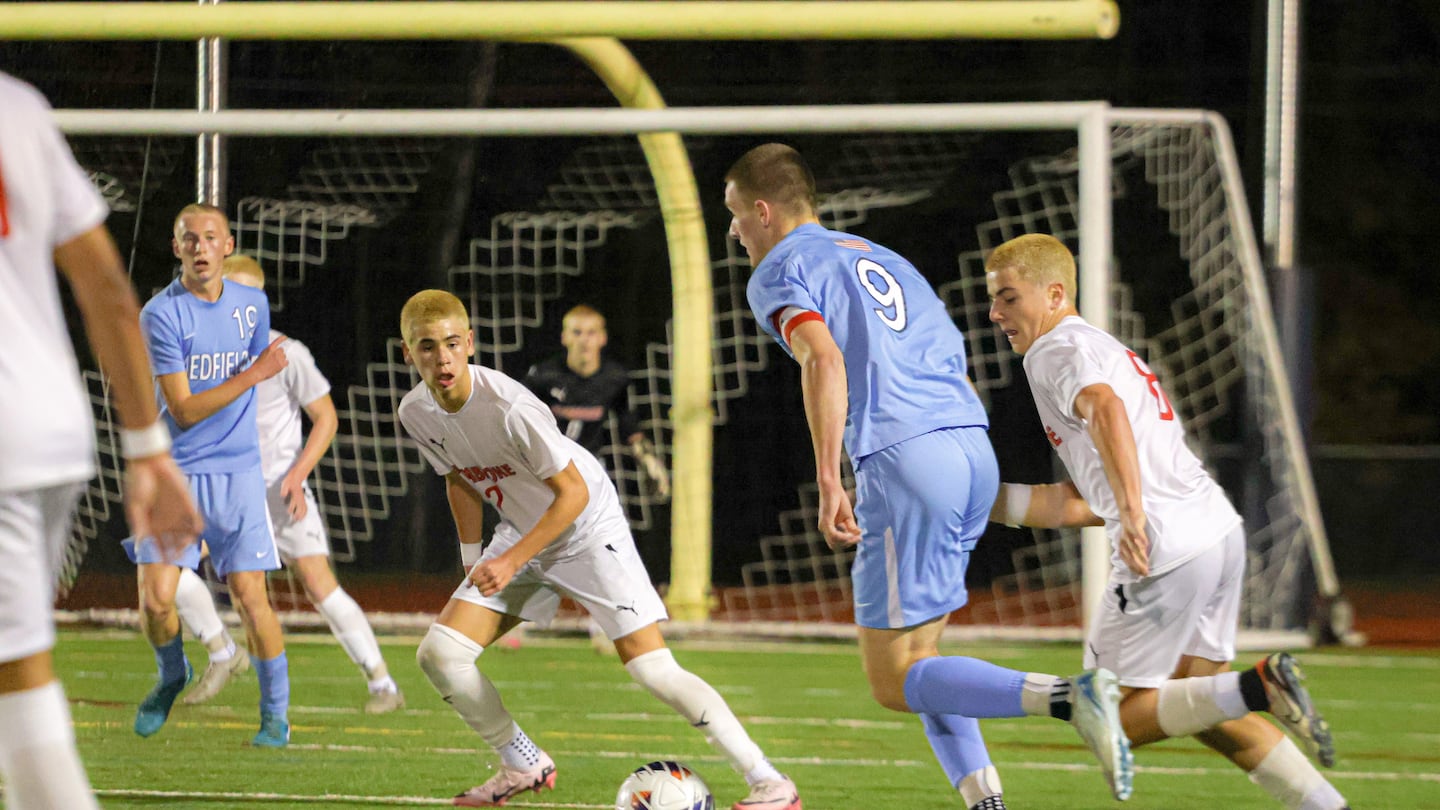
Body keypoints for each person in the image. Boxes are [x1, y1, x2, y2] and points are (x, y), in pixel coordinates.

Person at [726, 143, 1133, 808]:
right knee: (926, 660)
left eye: (736, 214)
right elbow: (947, 349)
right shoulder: (881, 257)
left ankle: (1067, 696)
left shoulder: (778, 268)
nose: (735, 231)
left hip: (904, 457)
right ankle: (986, 802)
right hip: (968, 447)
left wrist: (830, 478)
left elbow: (822, 360)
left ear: (764, 211)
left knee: (893, 681)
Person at [983, 233, 1349, 810]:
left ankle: (1260, 685)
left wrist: (1131, 515)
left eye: (1007, 297)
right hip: (1214, 536)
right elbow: (1082, 501)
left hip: (1164, 550)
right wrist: (978, 500)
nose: (994, 312)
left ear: (1054, 294)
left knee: (1109, 715)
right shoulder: (1095, 345)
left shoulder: (1054, 352)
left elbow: (1103, 409)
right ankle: (1325, 804)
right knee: (1199, 708)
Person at [397, 289, 801, 810]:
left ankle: (770, 781)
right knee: (440, 654)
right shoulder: (416, 411)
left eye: (452, 344)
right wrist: (473, 560)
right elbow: (459, 479)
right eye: (427, 347)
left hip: (586, 525)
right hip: (521, 530)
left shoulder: (510, 406)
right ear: (408, 353)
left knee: (650, 667)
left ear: (470, 342)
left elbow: (574, 494)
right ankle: (521, 762)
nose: (443, 358)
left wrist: (513, 560)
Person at [0, 71, 202, 808]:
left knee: (18, 675)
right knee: (13, 672)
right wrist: (147, 447)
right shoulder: (15, 108)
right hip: (46, 431)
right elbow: (107, 289)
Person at [158, 255, 405, 712]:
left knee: (317, 583)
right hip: (228, 492)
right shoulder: (200, 354)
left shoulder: (287, 352)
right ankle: (223, 653)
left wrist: (298, 474)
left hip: (279, 492)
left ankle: (382, 682)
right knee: (170, 567)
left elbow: (325, 418)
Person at [132, 203, 293, 747]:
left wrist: (254, 380)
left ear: (227, 246)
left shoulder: (252, 304)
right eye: (188, 239)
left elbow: (248, 388)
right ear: (176, 247)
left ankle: (275, 717)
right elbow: (183, 408)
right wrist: (256, 372)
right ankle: (172, 674)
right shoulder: (161, 313)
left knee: (252, 598)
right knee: (156, 600)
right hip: (174, 474)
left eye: (209, 237)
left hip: (237, 474)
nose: (200, 247)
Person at [523, 303, 669, 652]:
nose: (584, 341)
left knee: (604, 550)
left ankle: (609, 624)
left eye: (591, 333)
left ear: (602, 338)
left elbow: (630, 428)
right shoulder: (542, 376)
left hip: (588, 481)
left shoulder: (615, 379)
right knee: (530, 545)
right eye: (576, 332)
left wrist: (651, 463)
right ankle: (523, 619)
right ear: (564, 337)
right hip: (543, 476)